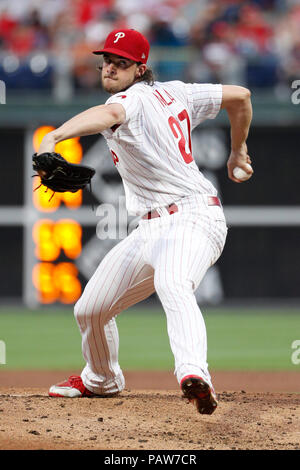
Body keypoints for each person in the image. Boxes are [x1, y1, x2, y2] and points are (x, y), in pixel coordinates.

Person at [41, 29, 253, 414]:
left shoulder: (130, 100)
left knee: (173, 283)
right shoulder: (180, 91)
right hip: (150, 228)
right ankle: (101, 380)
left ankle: (194, 374)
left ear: (140, 68)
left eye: (121, 62)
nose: (110, 67)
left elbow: (110, 113)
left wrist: (55, 135)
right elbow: (240, 96)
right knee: (90, 309)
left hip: (193, 217)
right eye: (106, 60)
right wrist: (238, 151)